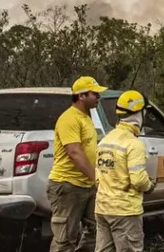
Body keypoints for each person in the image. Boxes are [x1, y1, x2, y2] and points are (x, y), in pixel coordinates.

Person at [48, 75, 106, 252]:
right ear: (81, 96)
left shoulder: (86, 118)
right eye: (94, 94)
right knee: (65, 239)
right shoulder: (69, 118)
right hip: (68, 185)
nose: (98, 97)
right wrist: (97, 178)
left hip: (87, 185)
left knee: (98, 230)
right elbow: (74, 152)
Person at [95, 90, 156, 252]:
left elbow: (98, 177)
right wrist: (149, 186)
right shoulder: (133, 144)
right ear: (138, 114)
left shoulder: (105, 141)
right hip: (125, 211)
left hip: (102, 209)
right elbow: (138, 180)